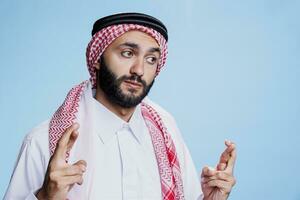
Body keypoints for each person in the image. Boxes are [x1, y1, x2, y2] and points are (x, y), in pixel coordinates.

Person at [4, 13, 236, 200]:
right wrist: (45, 198)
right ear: (97, 59)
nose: (139, 69)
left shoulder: (166, 132)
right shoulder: (43, 142)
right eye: (127, 53)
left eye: (151, 59)